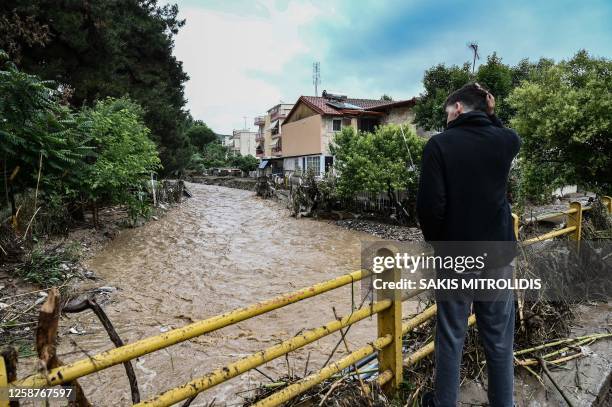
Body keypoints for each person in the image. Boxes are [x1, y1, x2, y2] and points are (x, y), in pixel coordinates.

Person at [416, 83, 521, 407]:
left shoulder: (439, 145)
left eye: (447, 111)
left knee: (450, 338)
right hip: (499, 256)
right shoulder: (504, 141)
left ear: (458, 108)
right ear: (485, 108)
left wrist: (440, 245)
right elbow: (510, 135)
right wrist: (493, 113)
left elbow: (429, 209)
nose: (445, 117)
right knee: (500, 341)